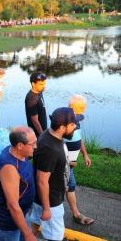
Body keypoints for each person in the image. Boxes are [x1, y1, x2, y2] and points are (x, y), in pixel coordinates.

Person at [28, 107, 80, 241]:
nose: (76, 127)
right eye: (73, 125)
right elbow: (41, 180)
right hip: (51, 202)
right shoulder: (50, 148)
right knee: (55, 236)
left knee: (34, 226)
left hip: (42, 198)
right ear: (62, 127)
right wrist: (46, 208)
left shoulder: (50, 135)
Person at [0, 127, 37, 241]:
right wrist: (28, 234)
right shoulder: (10, 168)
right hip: (9, 222)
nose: (36, 146)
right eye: (33, 144)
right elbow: (12, 205)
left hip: (23, 213)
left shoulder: (18, 152)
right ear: (20, 145)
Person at [65, 95, 94, 225]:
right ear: (71, 108)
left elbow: (79, 138)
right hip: (63, 165)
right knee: (64, 187)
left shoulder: (75, 120)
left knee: (70, 186)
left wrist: (85, 154)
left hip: (69, 165)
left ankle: (76, 214)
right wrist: (68, 162)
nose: (82, 112)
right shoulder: (64, 124)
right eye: (80, 109)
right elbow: (55, 147)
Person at [25, 72, 47, 138]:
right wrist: (42, 135)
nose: (43, 86)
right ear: (33, 84)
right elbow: (35, 121)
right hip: (37, 135)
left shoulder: (39, 91)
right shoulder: (31, 99)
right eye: (41, 84)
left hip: (43, 130)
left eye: (44, 84)